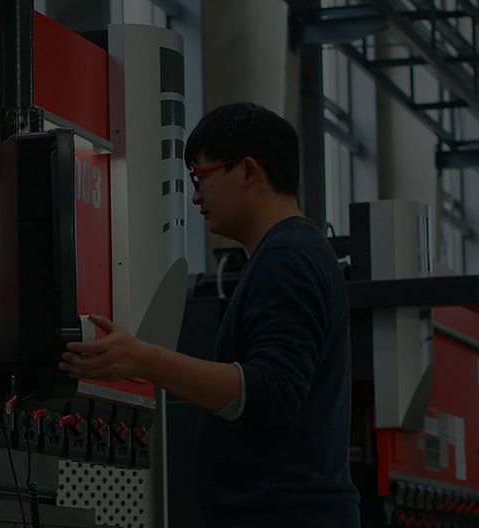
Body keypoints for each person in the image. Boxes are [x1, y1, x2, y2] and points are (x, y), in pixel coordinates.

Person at [58, 102, 359, 527]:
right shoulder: (294, 252)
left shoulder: (287, 257)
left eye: (201, 177)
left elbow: (270, 391)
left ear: (249, 170)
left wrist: (144, 359)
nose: (196, 196)